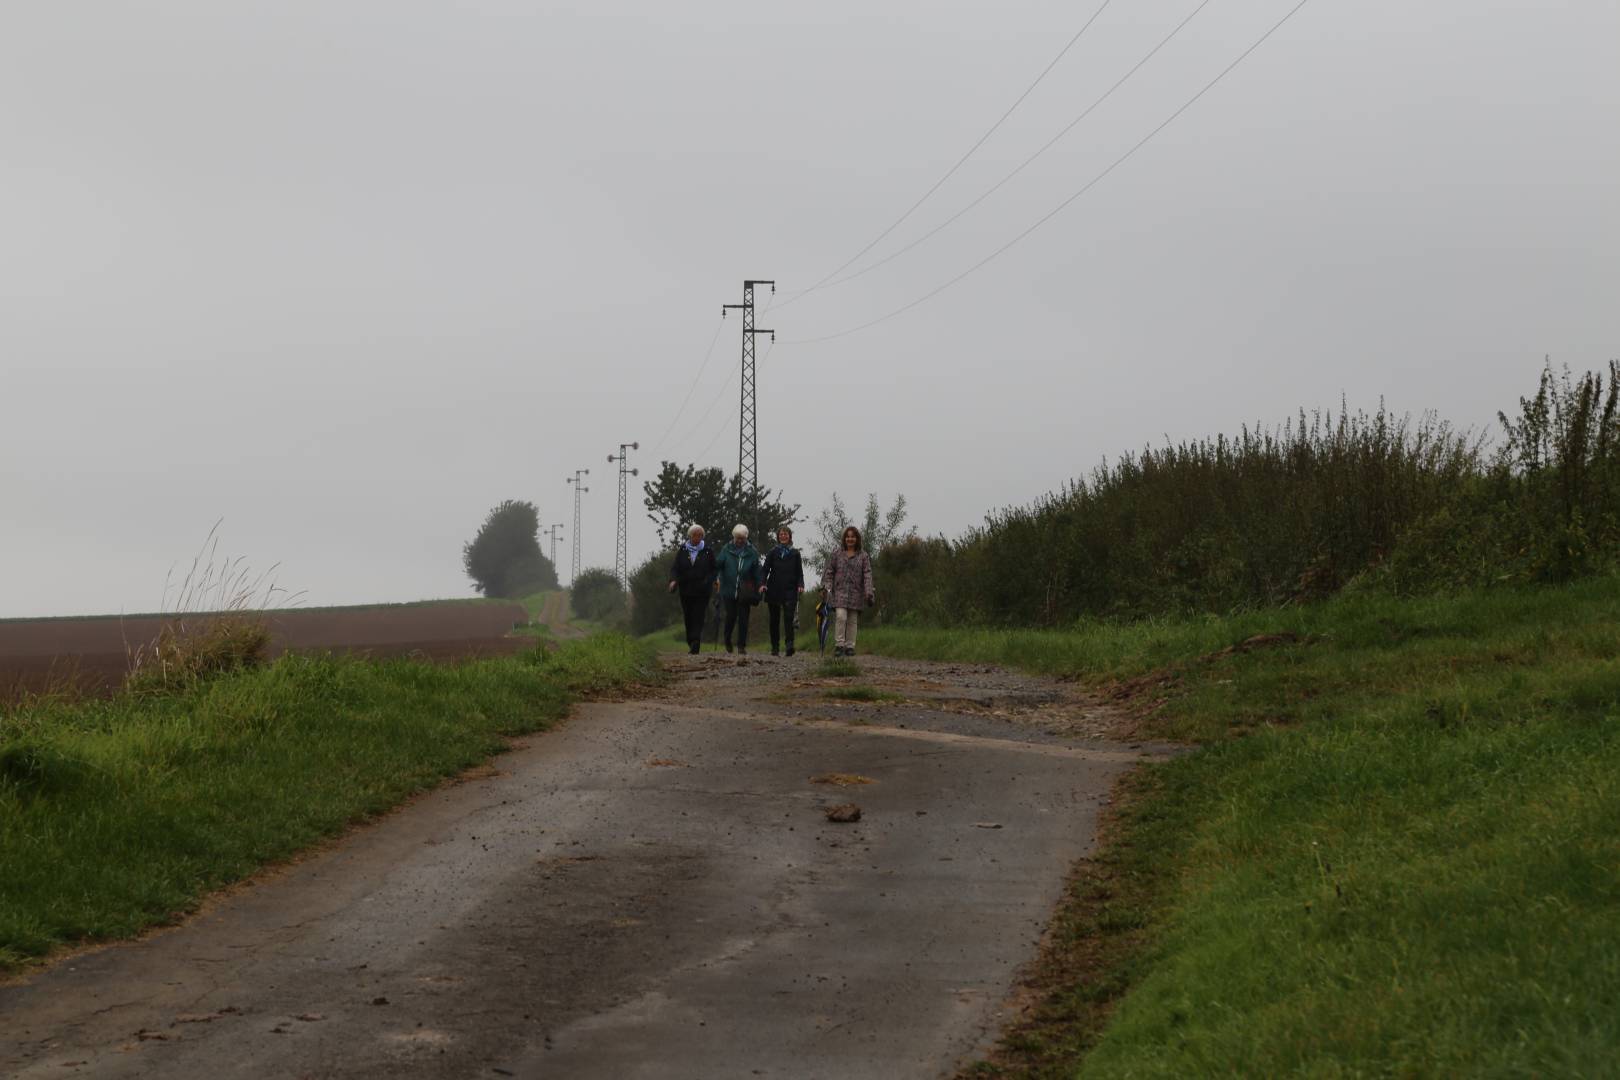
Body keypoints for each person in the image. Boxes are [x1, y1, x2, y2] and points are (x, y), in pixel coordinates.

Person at [821, 525, 875, 657]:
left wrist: (869, 592)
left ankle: (850, 646)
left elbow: (867, 574)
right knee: (840, 616)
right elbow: (829, 571)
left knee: (852, 620)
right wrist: (826, 586)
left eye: (853, 537)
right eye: (848, 537)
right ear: (844, 539)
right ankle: (839, 645)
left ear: (857, 539)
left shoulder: (863, 556)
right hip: (839, 591)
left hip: (856, 592)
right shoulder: (836, 553)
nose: (850, 539)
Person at [667, 524, 718, 655]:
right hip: (686, 590)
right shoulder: (683, 550)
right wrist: (673, 580)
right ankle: (691, 640)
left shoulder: (707, 551)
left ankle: (695, 641)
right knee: (688, 616)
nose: (697, 537)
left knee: (698, 615)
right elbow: (675, 568)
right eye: (695, 535)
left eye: (700, 535)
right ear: (690, 536)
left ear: (702, 536)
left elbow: (714, 569)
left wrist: (710, 580)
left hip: (702, 590)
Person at [714, 523, 762, 654]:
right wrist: (715, 577)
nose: (739, 540)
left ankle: (741, 645)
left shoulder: (752, 552)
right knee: (731, 616)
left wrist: (760, 586)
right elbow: (718, 564)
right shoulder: (726, 549)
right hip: (728, 589)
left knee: (744, 618)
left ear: (746, 538)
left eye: (742, 538)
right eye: (737, 538)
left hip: (745, 591)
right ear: (734, 537)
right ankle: (727, 639)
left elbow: (757, 572)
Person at [761, 525, 805, 657]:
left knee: (789, 618)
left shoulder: (795, 553)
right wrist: (762, 584)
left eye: (786, 534)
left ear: (790, 536)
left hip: (790, 590)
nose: (783, 536)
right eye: (781, 534)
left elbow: (799, 573)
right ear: (778, 537)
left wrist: (801, 585)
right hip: (773, 589)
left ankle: (789, 645)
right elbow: (764, 570)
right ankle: (775, 647)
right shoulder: (772, 552)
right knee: (774, 620)